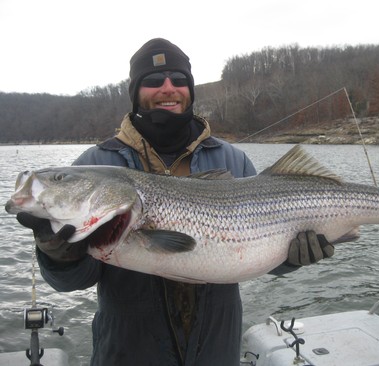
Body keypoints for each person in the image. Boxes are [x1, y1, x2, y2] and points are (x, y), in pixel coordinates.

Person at [16, 38, 334, 366]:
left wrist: (292, 257)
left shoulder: (232, 159)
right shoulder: (96, 162)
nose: (168, 88)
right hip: (127, 354)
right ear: (135, 91)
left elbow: (255, 251)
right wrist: (58, 253)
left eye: (179, 80)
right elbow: (72, 282)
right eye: (154, 81)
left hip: (216, 353)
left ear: (190, 91)